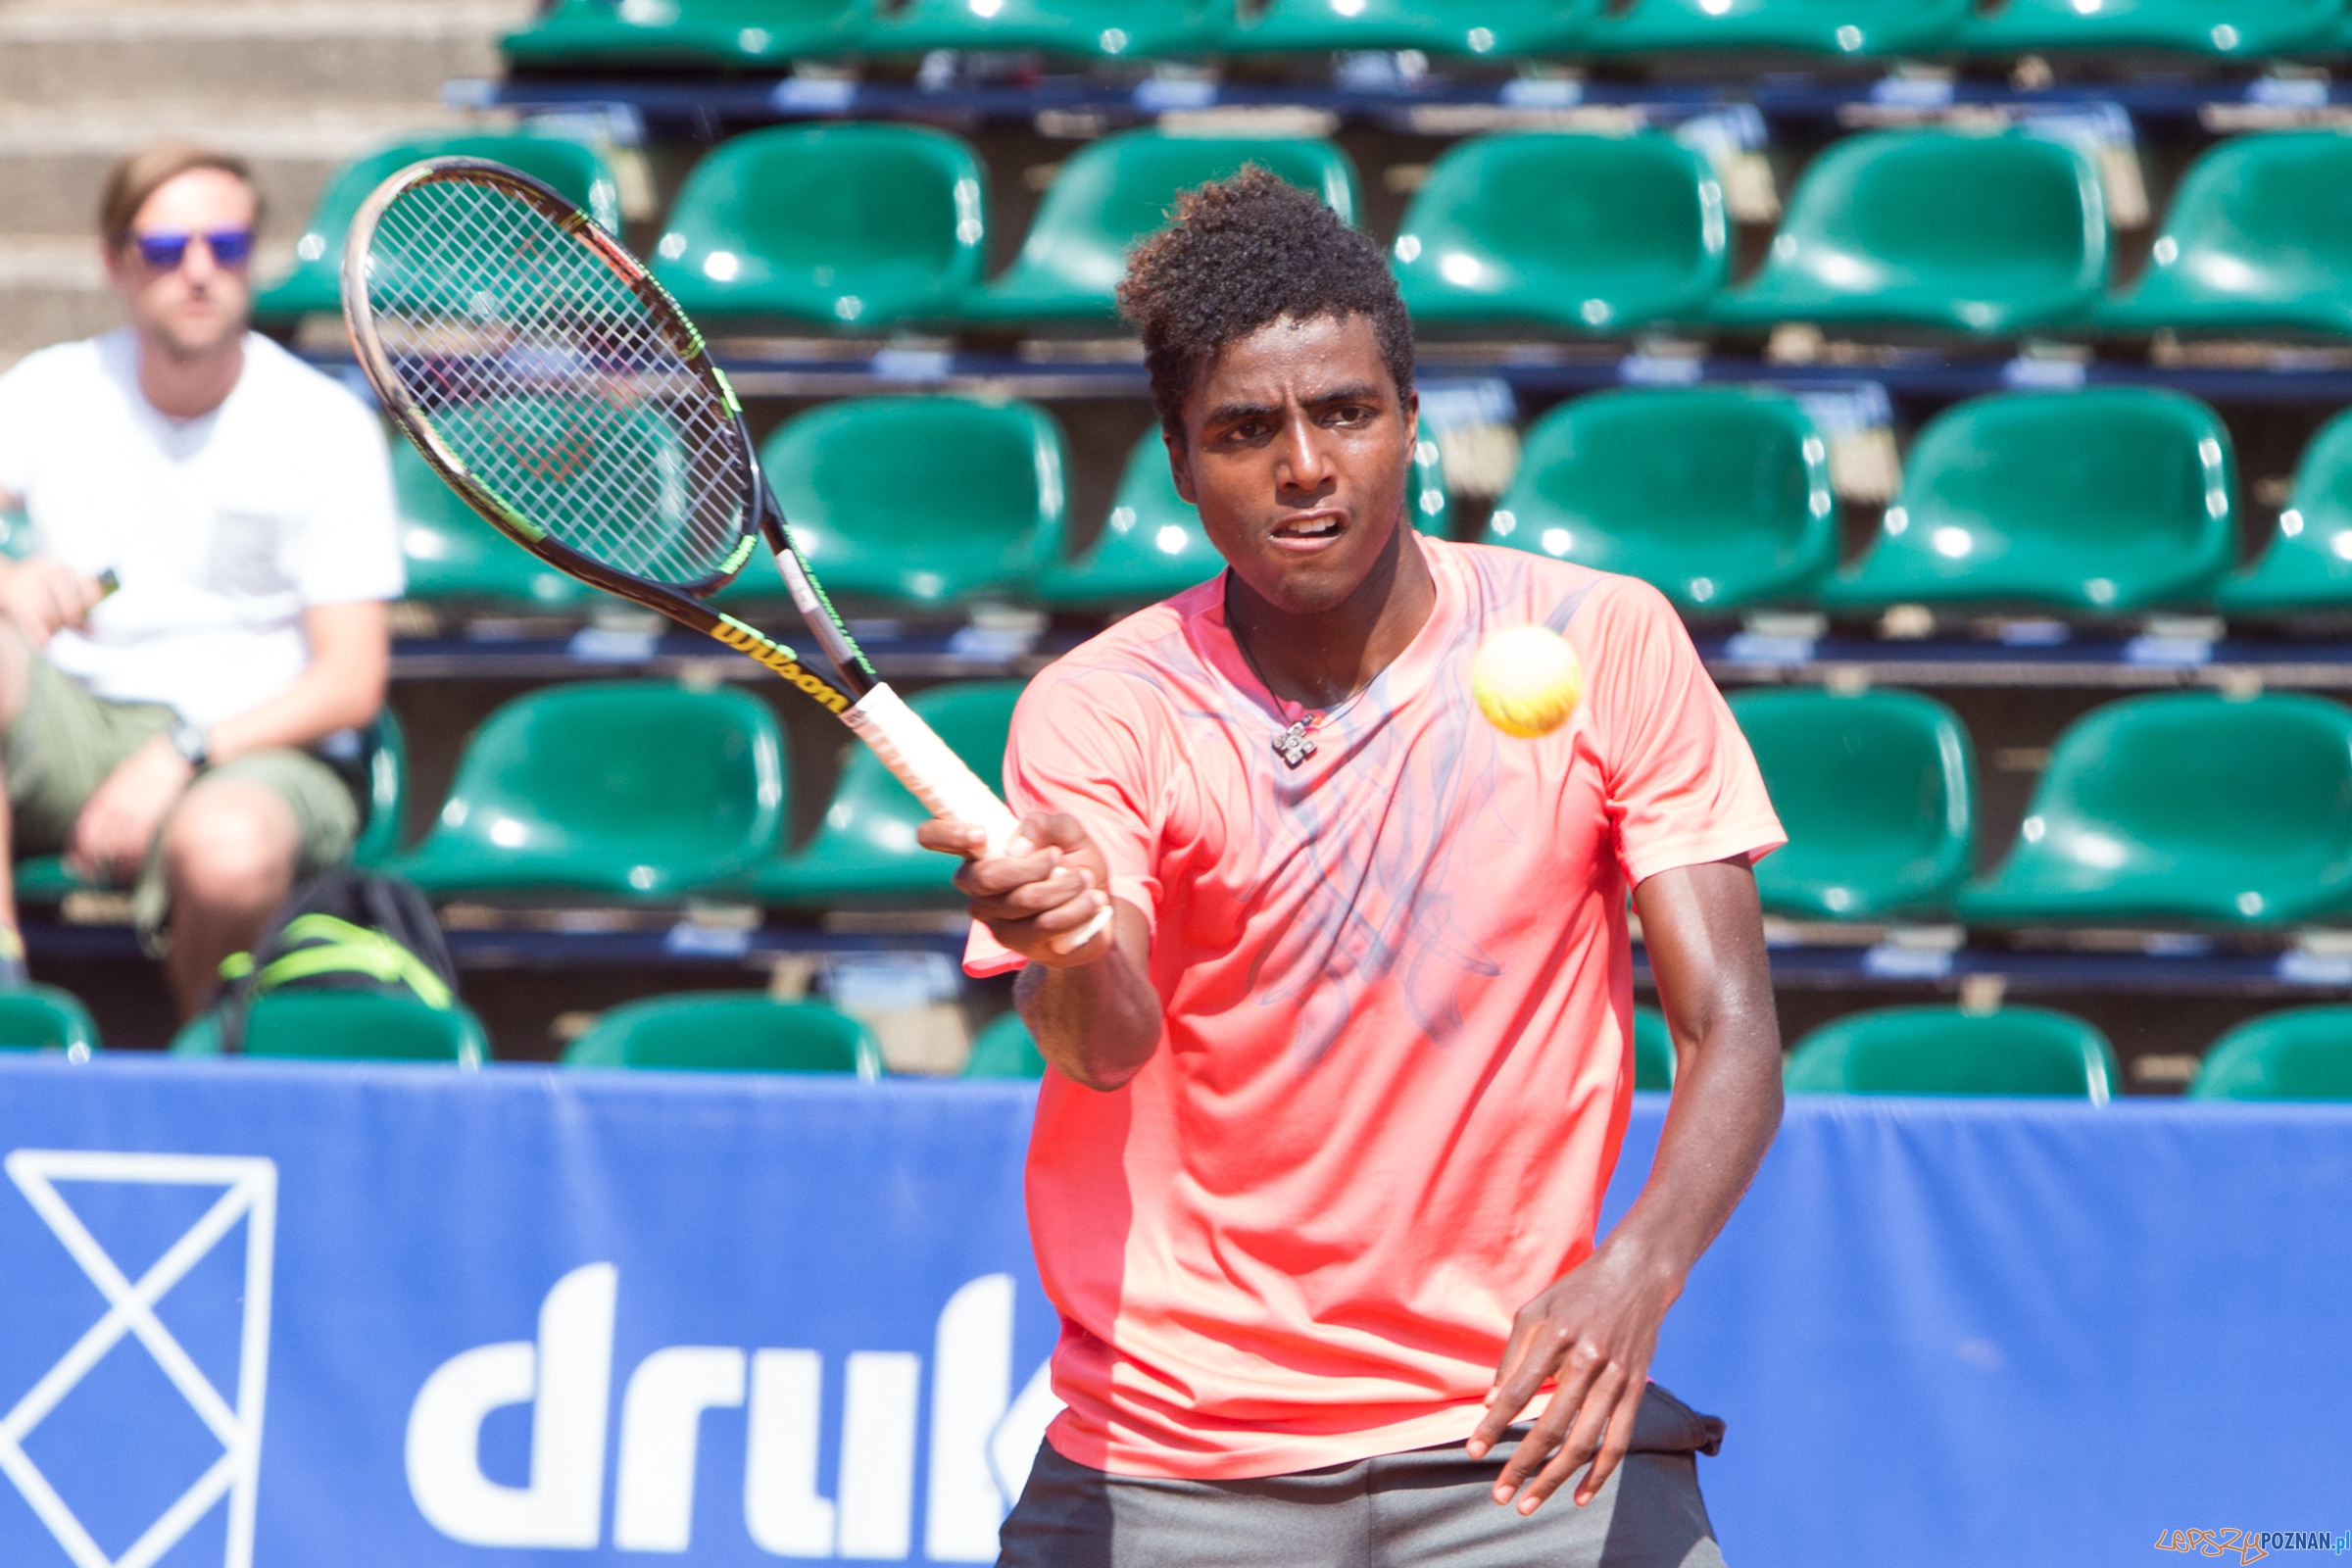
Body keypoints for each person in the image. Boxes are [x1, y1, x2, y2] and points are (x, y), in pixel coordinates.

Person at [922, 170, 1787, 1567]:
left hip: (1522, 1436)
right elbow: (1101, 1047)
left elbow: (1731, 1027)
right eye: (1247, 431)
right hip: (1182, 1459)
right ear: (1180, 456)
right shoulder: (1104, 709)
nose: (1305, 467)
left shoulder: (1604, 640)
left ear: (1410, 424)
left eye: (1346, 414)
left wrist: (1637, 1273)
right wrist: (1074, 943)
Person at [0, 144, 402, 1016]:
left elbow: (350, 681)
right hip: (78, 722)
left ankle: (203, 1062)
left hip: (256, 745)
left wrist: (180, 754)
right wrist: (8, 576)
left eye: (222, 247)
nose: (196, 273)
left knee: (225, 848)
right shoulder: (51, 390)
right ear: (114, 262)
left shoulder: (323, 425)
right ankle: (7, 996)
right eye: (163, 248)